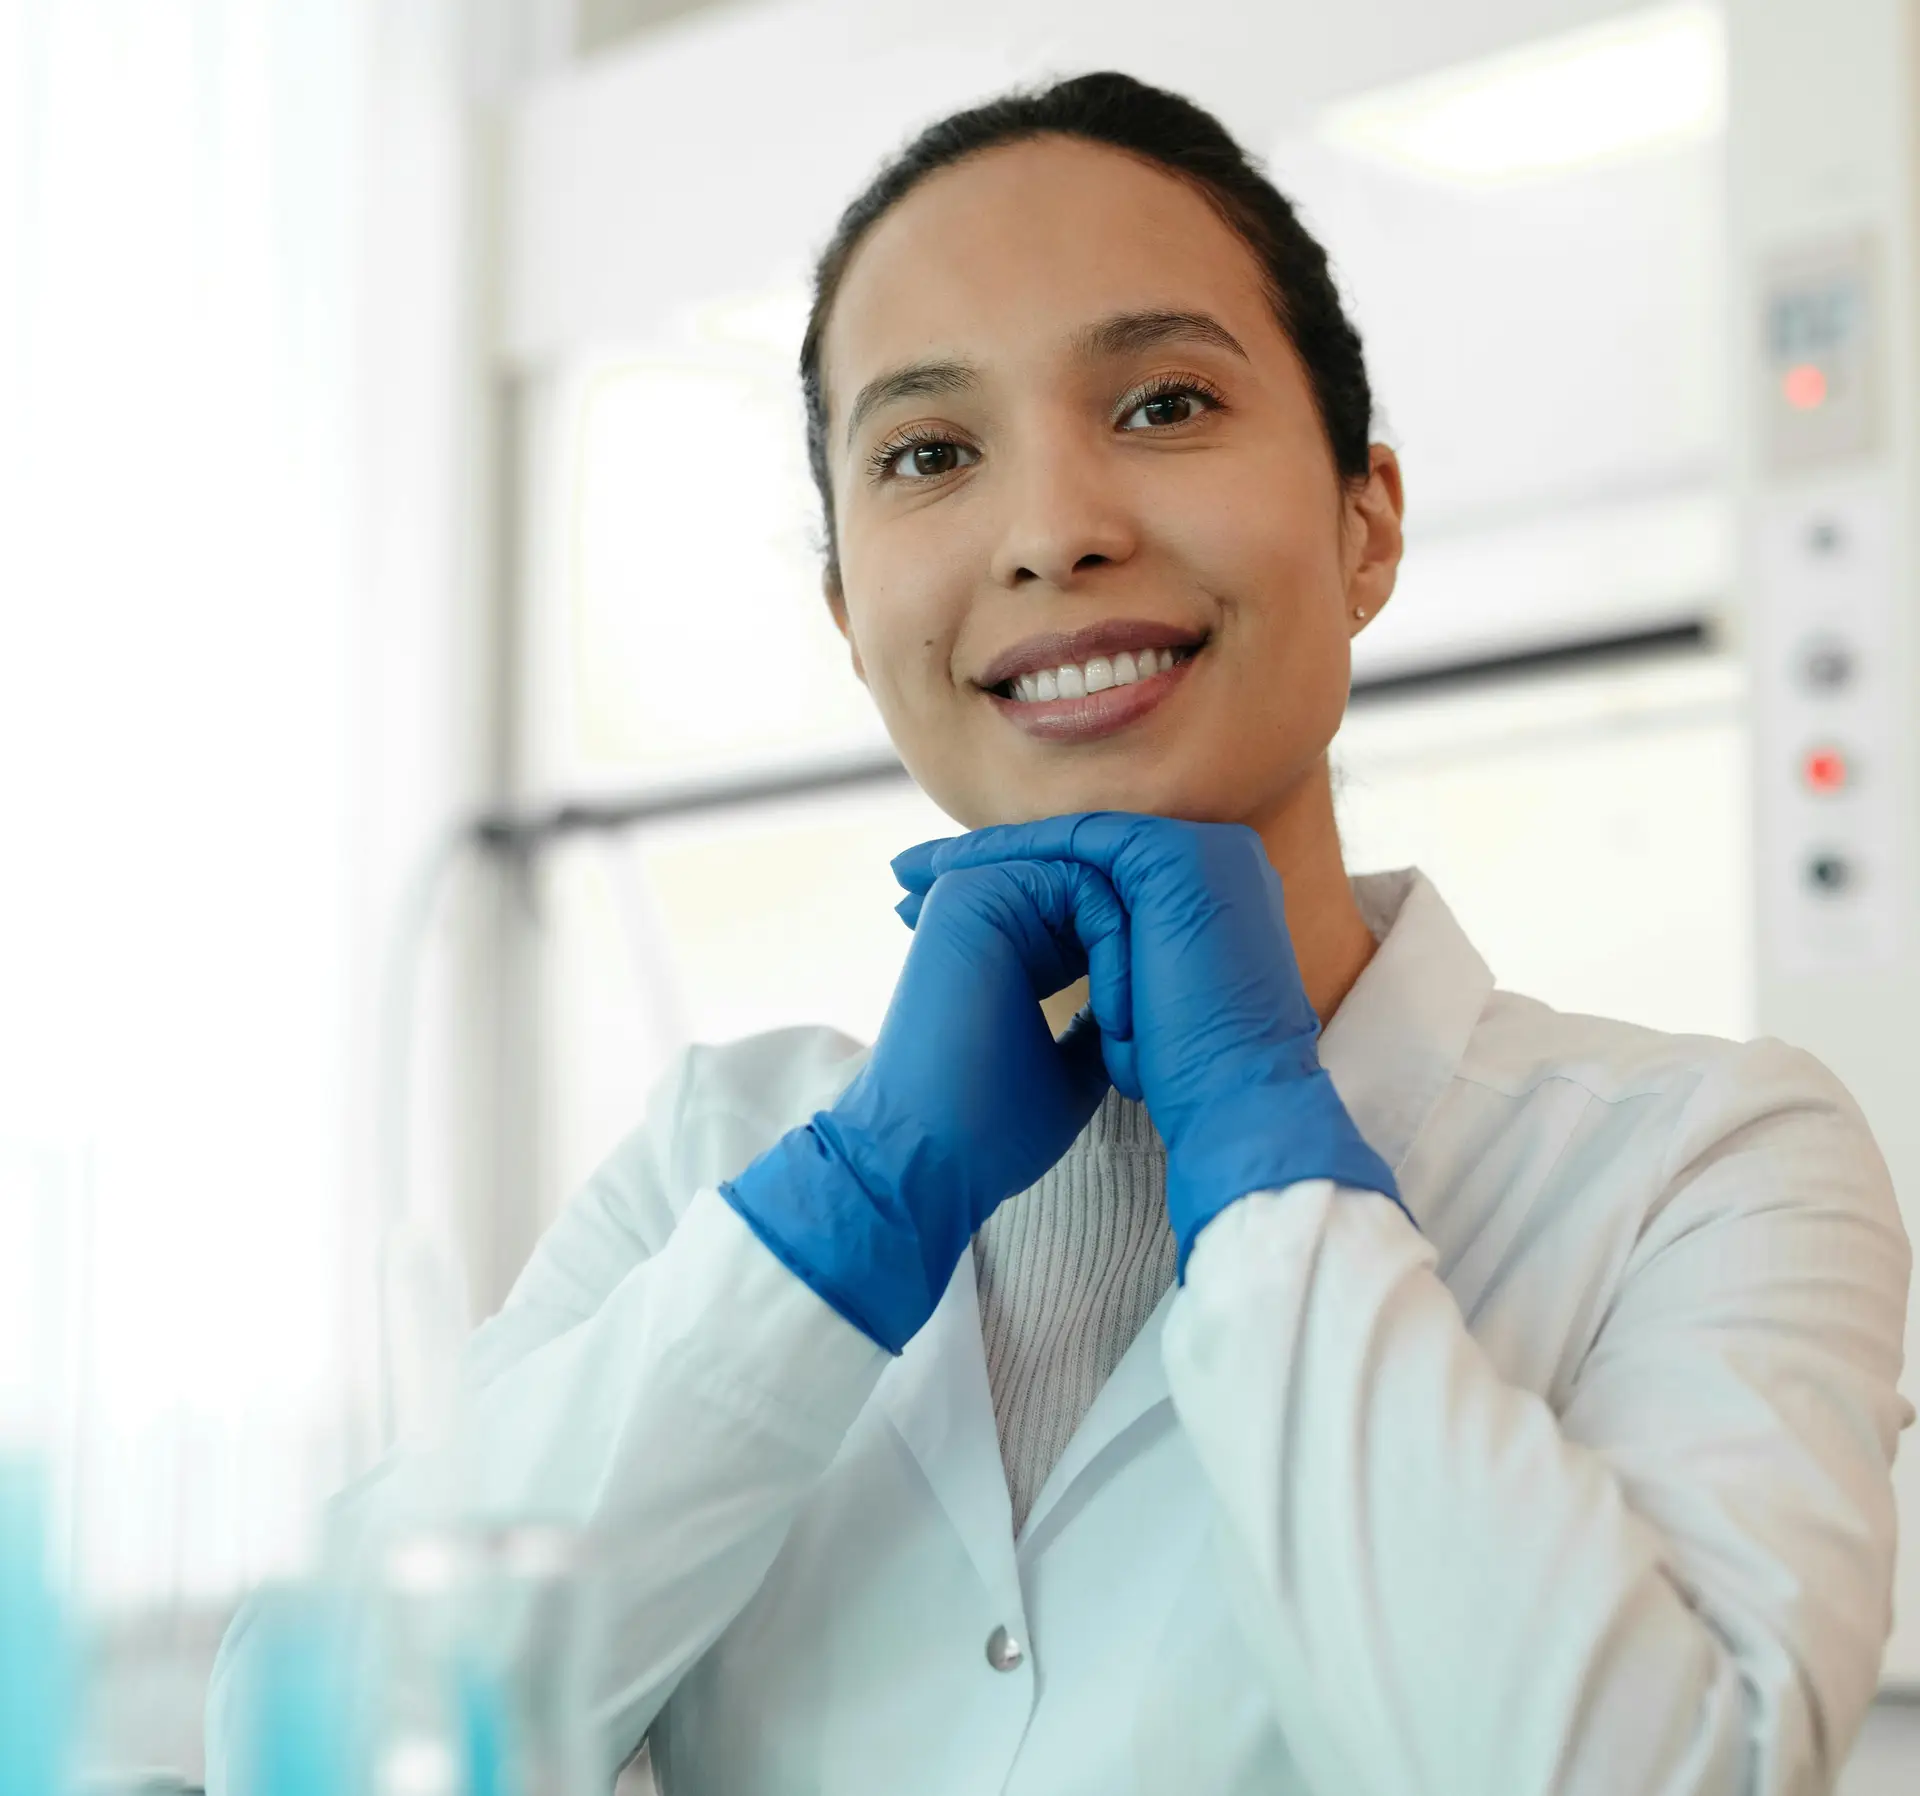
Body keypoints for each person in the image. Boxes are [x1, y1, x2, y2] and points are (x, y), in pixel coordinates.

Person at [208, 72, 1912, 1794]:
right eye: (930, 454)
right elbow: (321, 1749)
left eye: (1166, 403)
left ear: (1365, 520)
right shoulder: (713, 1166)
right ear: (851, 613)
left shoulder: (1707, 1168)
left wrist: (1267, 1176)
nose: (1051, 532)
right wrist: (846, 1220)